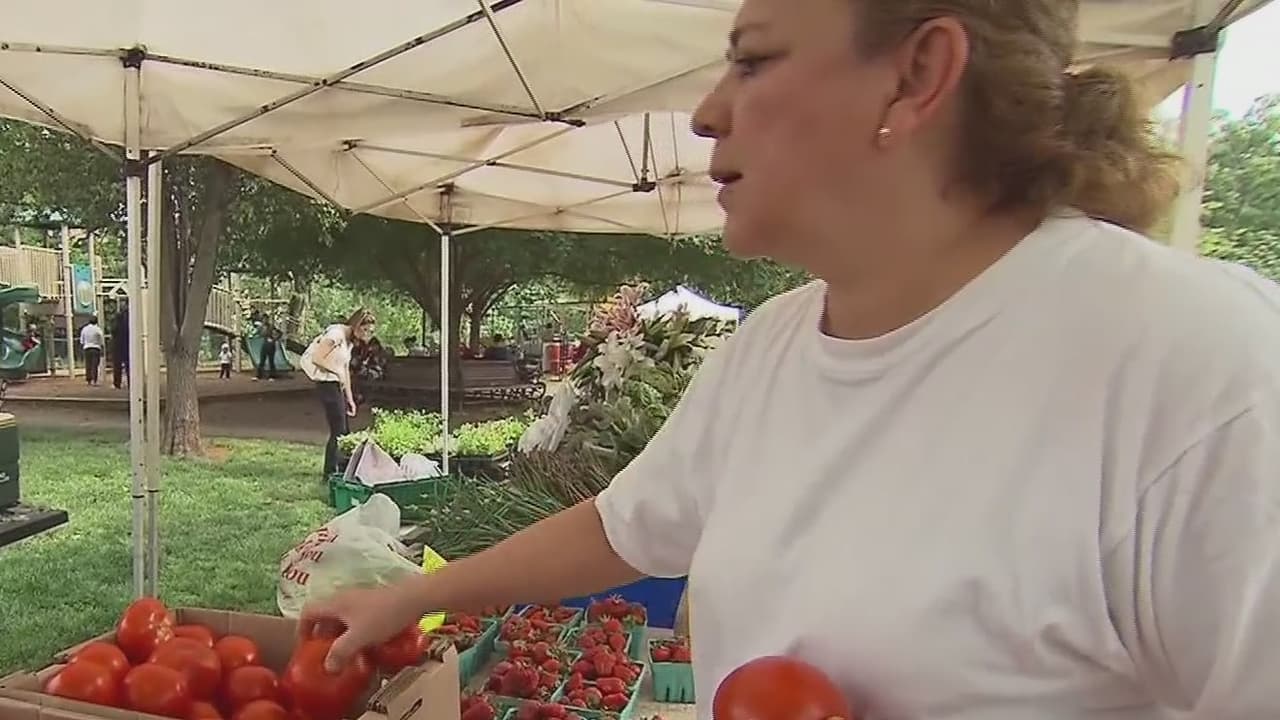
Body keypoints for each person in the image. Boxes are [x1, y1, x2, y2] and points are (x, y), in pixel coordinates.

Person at [300, 2, 1280, 718]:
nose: (705, 114)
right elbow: (626, 525)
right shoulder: (769, 349)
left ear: (917, 73)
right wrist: (415, 593)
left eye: (754, 62)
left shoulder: (1202, 373)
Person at [299, 309, 375, 477]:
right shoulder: (336, 334)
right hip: (326, 384)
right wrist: (336, 372)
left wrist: (350, 398)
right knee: (339, 430)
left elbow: (345, 369)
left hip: (336, 385)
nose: (367, 334)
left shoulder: (348, 342)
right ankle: (331, 472)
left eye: (370, 331)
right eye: (364, 329)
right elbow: (317, 358)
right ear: (356, 325)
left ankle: (342, 469)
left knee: (344, 430)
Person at [79, 316, 104, 386]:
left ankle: (88, 380)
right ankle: (94, 380)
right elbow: (101, 340)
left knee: (88, 364)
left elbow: (82, 340)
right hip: (96, 348)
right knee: (95, 365)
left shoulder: (84, 329)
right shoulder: (98, 329)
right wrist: (102, 349)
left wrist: (82, 348)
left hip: (87, 348)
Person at [111, 307, 128, 389]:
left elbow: (112, 333)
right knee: (128, 366)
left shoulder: (115, 325)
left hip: (117, 347)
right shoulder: (127, 325)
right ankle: (130, 381)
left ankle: (117, 383)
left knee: (117, 366)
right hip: (126, 346)